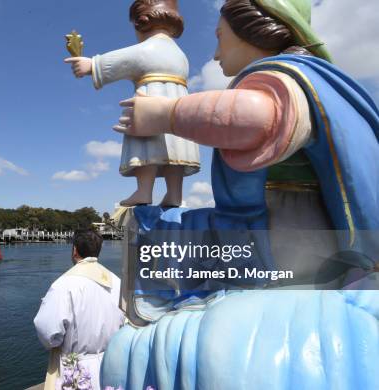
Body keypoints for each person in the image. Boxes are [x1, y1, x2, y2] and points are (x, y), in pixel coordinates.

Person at [101, 0, 379, 388]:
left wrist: (166, 115)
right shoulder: (307, 81)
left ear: (257, 29)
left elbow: (257, 117)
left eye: (220, 37)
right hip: (288, 244)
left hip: (288, 253)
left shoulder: (287, 78)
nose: (214, 54)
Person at [65, 0, 200, 206]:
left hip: (150, 99)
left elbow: (125, 59)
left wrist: (92, 64)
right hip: (179, 103)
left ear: (141, 23)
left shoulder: (149, 47)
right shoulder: (180, 54)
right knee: (175, 151)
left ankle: (144, 191)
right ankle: (174, 194)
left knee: (145, 145)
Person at [33, 229, 125, 390]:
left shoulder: (64, 285)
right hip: (112, 365)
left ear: (74, 250)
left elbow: (48, 332)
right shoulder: (117, 282)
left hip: (77, 369)